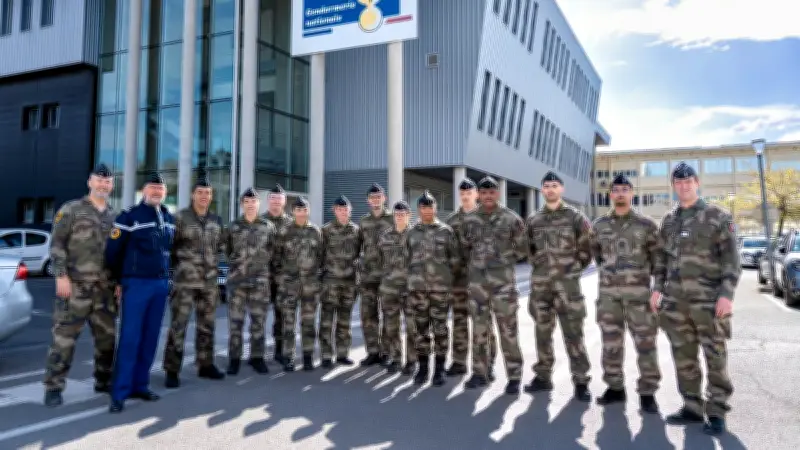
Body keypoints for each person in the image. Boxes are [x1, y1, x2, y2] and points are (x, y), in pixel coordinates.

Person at [653, 162, 739, 435]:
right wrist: (657, 288)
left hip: (709, 302)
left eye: (688, 181)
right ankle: (692, 406)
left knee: (715, 356)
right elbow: (661, 260)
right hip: (676, 304)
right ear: (674, 186)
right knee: (684, 356)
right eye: (678, 182)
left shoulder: (718, 217)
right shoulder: (669, 221)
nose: (684, 185)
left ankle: (717, 411)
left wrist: (726, 295)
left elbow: (732, 261)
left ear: (697, 182)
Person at [43, 164, 117, 407]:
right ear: (89, 182)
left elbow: (118, 254)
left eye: (107, 182)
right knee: (64, 339)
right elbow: (56, 244)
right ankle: (54, 386)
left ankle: (103, 380)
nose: (103, 185)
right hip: (75, 287)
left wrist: (118, 283)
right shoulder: (71, 209)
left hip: (104, 290)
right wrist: (60, 275)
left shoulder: (114, 216)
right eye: (99, 180)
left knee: (107, 339)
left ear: (112, 186)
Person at [590, 174, 661, 413]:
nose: (620, 193)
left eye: (625, 189)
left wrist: (656, 289)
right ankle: (615, 388)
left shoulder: (647, 225)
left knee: (645, 344)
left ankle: (648, 392)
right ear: (610, 195)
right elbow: (597, 255)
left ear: (632, 194)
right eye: (616, 190)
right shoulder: (599, 225)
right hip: (609, 297)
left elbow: (658, 260)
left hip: (639, 297)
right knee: (611, 344)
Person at [104, 172, 175, 413]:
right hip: (136, 284)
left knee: (151, 337)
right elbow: (113, 251)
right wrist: (118, 280)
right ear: (143, 190)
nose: (157, 191)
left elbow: (170, 251)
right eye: (153, 187)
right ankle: (120, 392)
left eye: (161, 188)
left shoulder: (168, 217)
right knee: (130, 337)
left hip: (160, 284)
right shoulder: (129, 217)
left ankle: (140, 385)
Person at [525, 171, 593, 402]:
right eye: (547, 186)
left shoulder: (575, 217)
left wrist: (571, 271)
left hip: (568, 288)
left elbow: (586, 250)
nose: (551, 189)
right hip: (541, 288)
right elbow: (529, 250)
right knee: (542, 334)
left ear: (561, 189)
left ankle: (581, 380)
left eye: (555, 185)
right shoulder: (534, 220)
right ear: (542, 190)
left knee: (573, 334)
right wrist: (542, 270)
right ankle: (543, 376)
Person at [461, 176, 525, 394]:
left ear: (497, 194)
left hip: (503, 286)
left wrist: (504, 260)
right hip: (478, 285)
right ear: (479, 194)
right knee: (480, 330)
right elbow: (463, 247)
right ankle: (480, 372)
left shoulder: (511, 219)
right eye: (484, 192)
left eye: (492, 192)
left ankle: (514, 377)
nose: (488, 196)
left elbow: (523, 247)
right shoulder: (469, 220)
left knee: (508, 331)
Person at [163, 176, 225, 388]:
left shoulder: (216, 221)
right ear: (193, 194)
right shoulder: (180, 218)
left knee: (207, 326)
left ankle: (205, 364)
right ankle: (172, 370)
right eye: (200, 192)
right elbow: (170, 249)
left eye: (207, 193)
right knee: (178, 326)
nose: (204, 196)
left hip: (208, 282)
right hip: (185, 282)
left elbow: (219, 249)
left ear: (211, 196)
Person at [406, 191, 460, 386]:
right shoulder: (411, 232)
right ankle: (422, 368)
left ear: (435, 208)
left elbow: (455, 261)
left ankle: (439, 369)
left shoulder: (446, 231)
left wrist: (443, 279)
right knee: (421, 330)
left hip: (439, 291)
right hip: (418, 291)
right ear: (418, 209)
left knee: (440, 330)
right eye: (423, 207)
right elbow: (407, 259)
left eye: (430, 206)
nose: (427, 210)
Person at [445, 177, 497, 377]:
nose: (466, 197)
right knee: (459, 321)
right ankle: (459, 362)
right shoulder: (451, 221)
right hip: (458, 281)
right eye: (463, 194)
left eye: (469, 193)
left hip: (481, 281)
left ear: (476, 194)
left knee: (483, 323)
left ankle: (488, 363)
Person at [222, 188, 277, 375]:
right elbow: (228, 250)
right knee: (235, 323)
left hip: (260, 282)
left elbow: (272, 250)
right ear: (242, 204)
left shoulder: (268, 226)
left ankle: (257, 358)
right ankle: (234, 359)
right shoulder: (232, 226)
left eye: (253, 201)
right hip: (237, 282)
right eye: (246, 201)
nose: (250, 204)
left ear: (258, 204)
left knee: (258, 322)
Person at [275, 197, 324, 371]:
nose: (301, 213)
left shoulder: (315, 231)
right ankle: (288, 357)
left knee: (308, 323)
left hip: (310, 286)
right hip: (289, 285)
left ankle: (308, 357)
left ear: (308, 211)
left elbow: (321, 257)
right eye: (298, 210)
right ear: (293, 212)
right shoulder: (284, 232)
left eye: (304, 210)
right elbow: (277, 257)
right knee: (288, 324)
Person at [319, 195, 362, 367]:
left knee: (345, 321)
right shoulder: (326, 230)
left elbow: (360, 253)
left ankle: (342, 354)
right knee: (327, 321)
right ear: (334, 211)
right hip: (330, 283)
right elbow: (319, 255)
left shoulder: (356, 231)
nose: (343, 212)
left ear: (350, 211)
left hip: (349, 283)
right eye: (339, 209)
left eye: (345, 209)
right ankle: (326, 355)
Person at [377, 201, 417, 375]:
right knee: (391, 326)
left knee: (411, 326)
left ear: (409, 215)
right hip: (390, 289)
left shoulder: (416, 235)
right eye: (397, 214)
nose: (399, 216)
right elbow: (379, 261)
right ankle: (395, 357)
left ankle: (411, 360)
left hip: (410, 289)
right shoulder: (385, 236)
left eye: (403, 213)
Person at [358, 183, 394, 366]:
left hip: (388, 276)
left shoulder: (394, 219)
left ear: (384, 198)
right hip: (368, 277)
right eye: (372, 197)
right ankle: (372, 352)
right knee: (368, 315)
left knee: (388, 314)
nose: (376, 200)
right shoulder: (363, 222)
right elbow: (357, 248)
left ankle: (386, 352)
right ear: (368, 200)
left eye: (378, 197)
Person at [262, 184, 293, 364]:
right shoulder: (260, 222)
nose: (276, 202)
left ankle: (281, 351)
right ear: (268, 201)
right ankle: (256, 354)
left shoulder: (291, 223)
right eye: (273, 198)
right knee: (258, 316)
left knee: (283, 316)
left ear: (284, 201)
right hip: (263, 278)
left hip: (283, 279)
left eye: (279, 198)